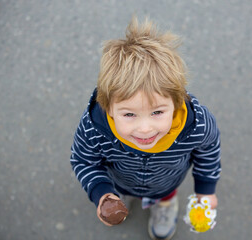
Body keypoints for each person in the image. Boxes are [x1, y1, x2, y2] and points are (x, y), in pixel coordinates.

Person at [70, 16, 221, 240]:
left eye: (157, 112)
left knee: (165, 194)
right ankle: (120, 198)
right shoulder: (94, 128)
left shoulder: (197, 126)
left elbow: (209, 152)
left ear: (177, 103)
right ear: (108, 108)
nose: (145, 129)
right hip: (119, 180)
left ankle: (165, 204)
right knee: (119, 194)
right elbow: (83, 160)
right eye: (129, 114)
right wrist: (102, 193)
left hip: (167, 181)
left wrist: (205, 189)